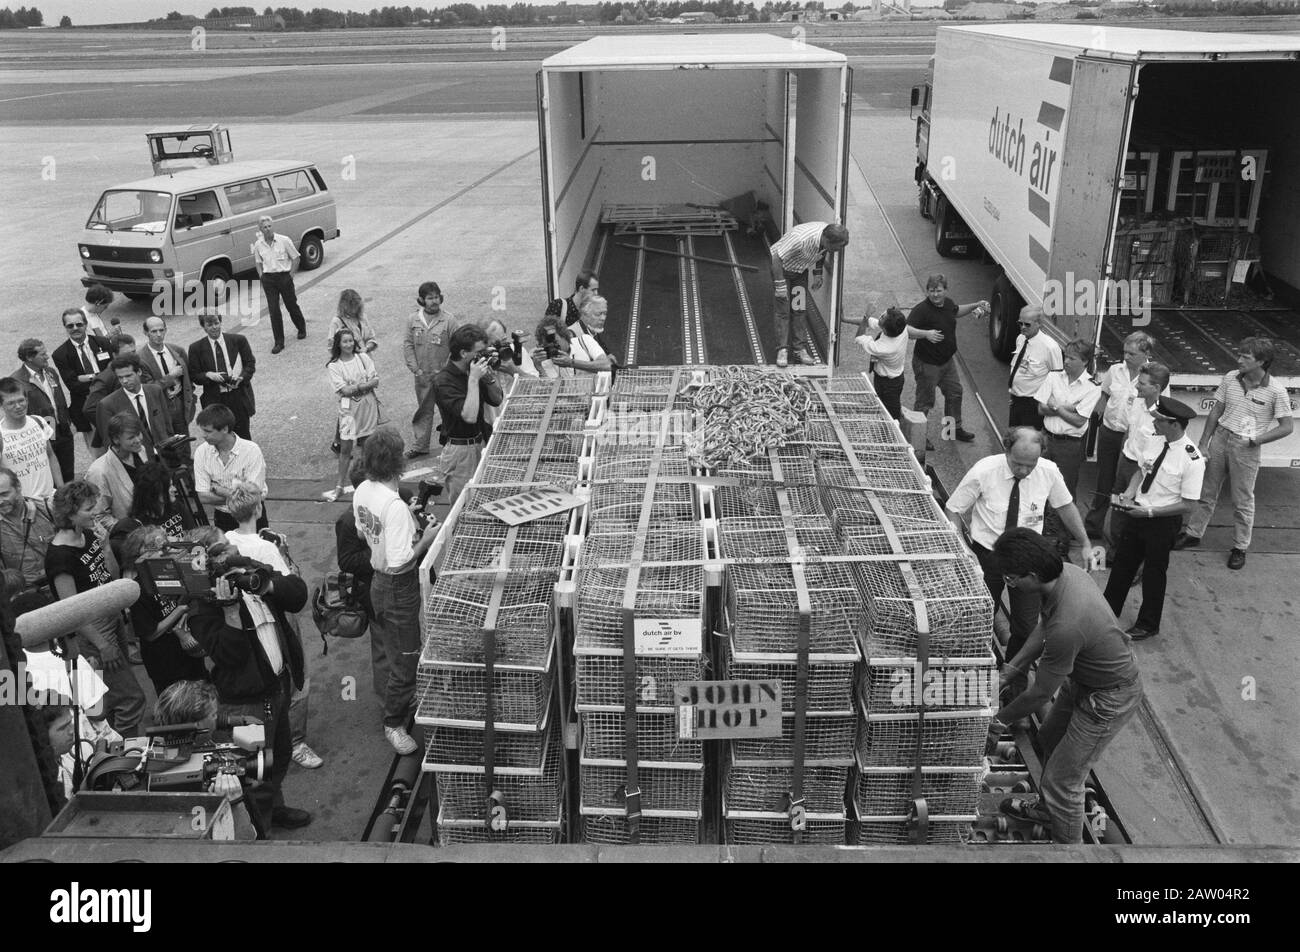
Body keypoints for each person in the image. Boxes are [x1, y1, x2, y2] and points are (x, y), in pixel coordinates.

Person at [989, 528, 1143, 844]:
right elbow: (1044, 626)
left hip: (1109, 699)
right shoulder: (1066, 574)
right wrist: (1011, 669)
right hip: (1084, 681)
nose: (1011, 585)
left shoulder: (1068, 624)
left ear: (1032, 575)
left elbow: (1041, 693)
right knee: (1048, 737)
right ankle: (1049, 812)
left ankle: (1069, 851)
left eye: (1012, 579)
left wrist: (999, 720)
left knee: (1063, 783)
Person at [185, 532, 314, 835]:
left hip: (278, 687)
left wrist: (263, 581)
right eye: (219, 553)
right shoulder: (200, 607)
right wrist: (230, 609)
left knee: (279, 756)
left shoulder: (249, 572)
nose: (230, 556)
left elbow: (297, 594)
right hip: (246, 702)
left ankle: (275, 809)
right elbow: (232, 654)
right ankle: (258, 831)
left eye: (229, 548)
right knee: (253, 775)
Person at [944, 427, 1093, 663]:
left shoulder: (1049, 472)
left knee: (1026, 627)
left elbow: (1065, 506)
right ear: (1006, 450)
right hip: (987, 557)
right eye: (1017, 464)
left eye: (1030, 465)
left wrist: (1085, 542)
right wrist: (964, 549)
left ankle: (1013, 677)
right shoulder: (984, 471)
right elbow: (952, 510)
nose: (1023, 471)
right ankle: (978, 665)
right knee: (978, 619)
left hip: (1028, 561)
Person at [223, 482, 323, 770]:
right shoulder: (265, 547)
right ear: (258, 508)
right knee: (297, 677)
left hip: (242, 622)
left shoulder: (225, 542)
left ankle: (256, 747)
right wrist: (284, 551)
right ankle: (296, 742)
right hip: (275, 616)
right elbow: (291, 588)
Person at [353, 427, 441, 754]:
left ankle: (402, 696)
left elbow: (364, 535)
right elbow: (402, 561)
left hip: (377, 584)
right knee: (405, 658)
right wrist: (427, 538)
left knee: (392, 647)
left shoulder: (363, 489)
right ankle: (394, 723)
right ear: (398, 462)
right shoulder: (394, 506)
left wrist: (404, 521)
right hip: (398, 587)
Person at [1175, 337, 1294, 571]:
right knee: (1207, 491)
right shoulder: (1231, 378)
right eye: (1239, 355)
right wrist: (1204, 443)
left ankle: (1240, 547)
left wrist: (1258, 440)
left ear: (1261, 361)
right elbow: (1216, 410)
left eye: (1245, 357)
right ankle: (1193, 533)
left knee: (1242, 500)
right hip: (1221, 437)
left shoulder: (1276, 391)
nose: (1238, 360)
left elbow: (1287, 426)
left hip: (1246, 448)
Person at [44, 480, 146, 738]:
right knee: (131, 699)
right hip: (92, 632)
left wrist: (105, 547)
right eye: (89, 508)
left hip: (111, 617)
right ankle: (122, 756)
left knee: (110, 698)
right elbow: (72, 611)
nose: (95, 512)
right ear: (70, 513)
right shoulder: (59, 557)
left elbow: (109, 577)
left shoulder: (88, 535)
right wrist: (102, 645)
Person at [1104, 397, 1206, 640]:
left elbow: (1188, 505)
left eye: (1159, 420)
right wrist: (1129, 494)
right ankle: (1107, 610)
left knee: (1153, 573)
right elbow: (1142, 471)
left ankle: (1148, 624)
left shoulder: (1192, 459)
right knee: (1122, 565)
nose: (1154, 423)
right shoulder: (1154, 440)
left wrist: (1149, 512)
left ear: (1174, 424)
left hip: (1161, 522)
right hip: (1138, 512)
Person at [153, 680, 258, 839]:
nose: (218, 718)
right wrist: (235, 804)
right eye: (213, 714)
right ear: (197, 725)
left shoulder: (159, 753)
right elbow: (246, 842)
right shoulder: (187, 784)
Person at [1085, 331, 1157, 540]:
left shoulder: (1154, 377)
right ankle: (1093, 524)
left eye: (1132, 354)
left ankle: (1120, 533)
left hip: (1133, 440)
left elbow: (1158, 409)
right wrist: (1093, 422)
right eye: (1125, 352)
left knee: (1125, 485)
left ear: (1146, 353)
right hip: (1109, 432)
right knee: (1104, 480)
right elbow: (1105, 395)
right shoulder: (1115, 370)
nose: (1126, 357)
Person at [120, 525, 206, 696]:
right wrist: (180, 610)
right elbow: (150, 633)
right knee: (177, 707)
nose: (165, 552)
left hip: (187, 653)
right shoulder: (137, 589)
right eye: (159, 549)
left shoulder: (169, 571)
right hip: (165, 661)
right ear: (142, 555)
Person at [1036, 340, 1102, 553]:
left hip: (1070, 446)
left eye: (1072, 358)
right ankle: (1040, 530)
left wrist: (1055, 405)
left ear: (1084, 361)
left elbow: (1079, 421)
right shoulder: (1053, 377)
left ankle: (1061, 538)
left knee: (1063, 491)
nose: (1066, 361)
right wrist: (1067, 408)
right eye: (1066, 356)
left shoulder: (1092, 388)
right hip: (1047, 440)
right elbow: (1041, 408)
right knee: (1039, 485)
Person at [906, 274, 987, 448]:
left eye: (939, 290)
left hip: (947, 363)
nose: (935, 294)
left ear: (945, 290)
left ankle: (952, 430)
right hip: (927, 364)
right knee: (925, 401)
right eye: (932, 291)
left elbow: (956, 311)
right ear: (927, 291)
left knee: (955, 393)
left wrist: (975, 305)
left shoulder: (948, 303)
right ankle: (918, 436)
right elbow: (907, 329)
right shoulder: (921, 310)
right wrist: (925, 334)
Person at [432, 325, 505, 506]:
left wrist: (488, 377)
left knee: (487, 500)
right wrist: (473, 379)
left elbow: (497, 400)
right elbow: (470, 416)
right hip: (460, 453)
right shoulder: (443, 381)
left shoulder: (474, 369)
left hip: (481, 441)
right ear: (464, 353)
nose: (483, 356)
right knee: (464, 507)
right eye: (479, 352)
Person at [1104, 360, 1170, 556]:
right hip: (1126, 460)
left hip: (1142, 470)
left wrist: (1136, 484)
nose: (1137, 386)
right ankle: (1115, 550)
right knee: (1118, 509)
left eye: (1142, 383)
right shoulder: (1137, 402)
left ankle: (1135, 561)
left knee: (1136, 516)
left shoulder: (1162, 416)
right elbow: (1130, 432)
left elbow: (1154, 458)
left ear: (1156, 388)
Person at [769, 221, 849, 367]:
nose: (835, 252)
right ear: (827, 240)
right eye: (835, 248)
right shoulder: (800, 239)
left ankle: (799, 349)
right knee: (783, 311)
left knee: (799, 309)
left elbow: (822, 251)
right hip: (782, 270)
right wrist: (780, 285)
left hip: (799, 272)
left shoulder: (825, 237)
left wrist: (818, 273)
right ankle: (782, 350)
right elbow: (776, 258)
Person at [335, 458, 382, 694]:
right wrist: (380, 552)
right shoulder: (347, 521)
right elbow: (346, 561)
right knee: (383, 647)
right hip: (373, 591)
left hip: (390, 587)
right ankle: (389, 707)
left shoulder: (382, 507)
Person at [323, 328, 380, 503]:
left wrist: (357, 387)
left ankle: (369, 482)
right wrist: (363, 385)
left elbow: (376, 380)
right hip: (348, 411)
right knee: (345, 448)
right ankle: (340, 485)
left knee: (367, 446)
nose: (348, 344)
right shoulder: (334, 366)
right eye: (344, 341)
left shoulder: (363, 357)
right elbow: (344, 390)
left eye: (350, 341)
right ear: (338, 344)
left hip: (367, 408)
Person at [403, 281, 458, 460]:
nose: (434, 301)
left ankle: (453, 442)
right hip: (423, 377)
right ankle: (420, 446)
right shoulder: (413, 320)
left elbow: (457, 348)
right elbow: (408, 345)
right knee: (424, 412)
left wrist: (447, 372)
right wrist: (416, 369)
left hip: (444, 377)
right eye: (430, 298)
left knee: (449, 410)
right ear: (421, 300)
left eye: (436, 297)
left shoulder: (449, 320)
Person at [192, 403, 268, 532]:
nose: (203, 435)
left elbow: (254, 497)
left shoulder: (251, 450)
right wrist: (240, 496)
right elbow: (203, 497)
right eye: (202, 430)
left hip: (252, 516)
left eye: (208, 431)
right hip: (223, 518)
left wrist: (221, 491)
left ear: (225, 429)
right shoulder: (201, 452)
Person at [50, 307, 112, 456]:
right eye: (70, 326)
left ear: (85, 324)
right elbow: (74, 385)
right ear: (65, 327)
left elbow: (114, 373)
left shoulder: (103, 343)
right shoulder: (60, 354)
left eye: (79, 324)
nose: (75, 328)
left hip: (111, 403)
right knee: (99, 453)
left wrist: (89, 377)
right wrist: (102, 377)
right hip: (85, 406)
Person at [13, 338, 75, 484]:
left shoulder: (51, 372)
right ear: (29, 357)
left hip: (63, 430)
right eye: (42, 354)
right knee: (50, 477)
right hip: (42, 435)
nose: (47, 356)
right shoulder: (17, 381)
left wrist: (68, 421)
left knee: (68, 474)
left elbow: (59, 399)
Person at [188, 311, 256, 441]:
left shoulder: (238, 340)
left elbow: (250, 364)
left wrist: (242, 378)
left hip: (238, 396)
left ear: (220, 322)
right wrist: (208, 375)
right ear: (203, 327)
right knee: (219, 436)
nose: (214, 327)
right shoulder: (196, 348)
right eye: (209, 324)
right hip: (215, 399)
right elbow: (195, 375)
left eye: (216, 323)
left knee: (243, 435)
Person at [93, 354, 173, 459]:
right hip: (136, 462)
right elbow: (110, 442)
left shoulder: (155, 391)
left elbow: (167, 425)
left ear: (139, 372)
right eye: (120, 377)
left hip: (165, 456)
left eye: (128, 376)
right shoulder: (107, 405)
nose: (124, 381)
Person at [82, 334, 156, 443]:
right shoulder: (105, 378)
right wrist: (117, 428)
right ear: (115, 355)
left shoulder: (139, 366)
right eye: (127, 354)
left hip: (148, 428)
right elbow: (90, 409)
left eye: (134, 352)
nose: (133, 356)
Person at [0, 377, 63, 504]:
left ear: (27, 400)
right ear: (1, 406)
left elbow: (51, 456)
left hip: (51, 501)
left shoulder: (39, 421)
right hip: (24, 508)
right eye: (11, 403)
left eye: (21, 400)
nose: (18, 406)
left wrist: (61, 490)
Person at [251, 214, 307, 353]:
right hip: (269, 279)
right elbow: (258, 261)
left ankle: (301, 327)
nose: (268, 229)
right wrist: (261, 275)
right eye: (264, 227)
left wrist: (290, 276)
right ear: (260, 229)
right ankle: (279, 342)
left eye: (269, 226)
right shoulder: (258, 244)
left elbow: (296, 258)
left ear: (273, 226)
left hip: (284, 277)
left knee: (291, 305)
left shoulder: (284, 240)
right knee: (273, 310)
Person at [138, 316, 195, 438]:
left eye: (161, 330)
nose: (159, 334)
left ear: (165, 330)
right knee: (167, 442)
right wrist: (171, 376)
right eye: (154, 331)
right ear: (145, 333)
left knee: (184, 440)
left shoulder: (177, 350)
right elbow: (148, 388)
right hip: (160, 406)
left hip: (179, 402)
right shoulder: (141, 358)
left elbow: (189, 377)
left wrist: (189, 396)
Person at [1007, 305, 1062, 429]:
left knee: (1028, 442)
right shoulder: (1021, 339)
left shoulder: (1050, 347)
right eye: (1020, 323)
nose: (1022, 327)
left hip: (1033, 404)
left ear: (1039, 324)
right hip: (1016, 399)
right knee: (1013, 437)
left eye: (1027, 324)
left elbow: (1057, 378)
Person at [85, 412, 146, 524]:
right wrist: (128, 529)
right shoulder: (98, 472)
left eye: (138, 434)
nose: (138, 440)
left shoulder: (141, 451)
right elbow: (98, 517)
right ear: (116, 439)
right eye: (131, 437)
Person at [0, 467, 54, 587]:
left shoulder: (47, 508)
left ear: (18, 487)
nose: (0, 501)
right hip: (26, 594)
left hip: (60, 581)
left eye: (4, 494)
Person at [853, 306, 908, 422]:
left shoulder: (881, 347)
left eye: (882, 316)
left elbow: (859, 337)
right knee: (884, 408)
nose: (881, 314)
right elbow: (872, 322)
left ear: (885, 330)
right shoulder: (901, 328)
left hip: (888, 384)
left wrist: (865, 317)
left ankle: (893, 434)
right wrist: (844, 319)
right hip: (895, 377)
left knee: (891, 414)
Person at [531, 313, 612, 380]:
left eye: (555, 342)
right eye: (547, 346)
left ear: (564, 335)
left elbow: (607, 366)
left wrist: (571, 363)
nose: (552, 348)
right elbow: (551, 391)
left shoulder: (584, 341)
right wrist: (539, 368)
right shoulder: (546, 361)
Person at [326, 289, 378, 355]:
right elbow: (331, 348)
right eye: (352, 306)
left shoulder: (363, 317)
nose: (355, 310)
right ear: (344, 306)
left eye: (357, 306)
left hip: (366, 359)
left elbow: (372, 338)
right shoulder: (337, 322)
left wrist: (366, 348)